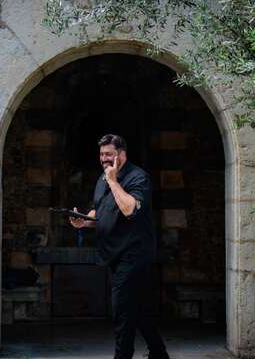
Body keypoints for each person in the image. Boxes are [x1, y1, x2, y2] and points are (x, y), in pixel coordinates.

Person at [69, 134, 169, 359]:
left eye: (109, 154)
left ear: (122, 154)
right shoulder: (103, 178)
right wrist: (83, 220)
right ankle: (159, 353)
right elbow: (100, 210)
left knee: (122, 313)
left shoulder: (138, 178)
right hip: (114, 254)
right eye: (102, 154)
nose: (104, 159)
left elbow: (130, 210)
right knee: (140, 309)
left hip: (134, 254)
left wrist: (114, 181)